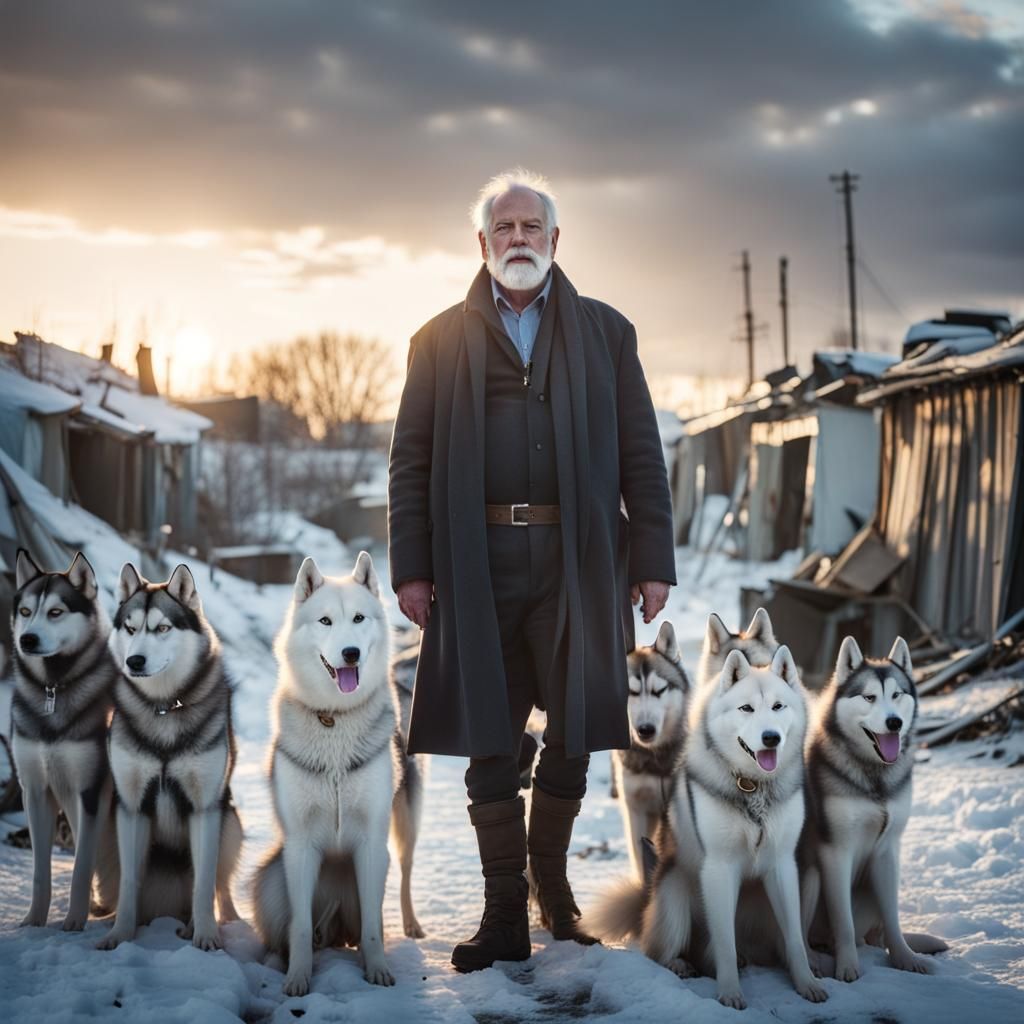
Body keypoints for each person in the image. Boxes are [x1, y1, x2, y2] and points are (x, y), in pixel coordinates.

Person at [388, 169, 675, 972]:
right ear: (482, 245)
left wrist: (651, 557)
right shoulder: (436, 340)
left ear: (556, 241)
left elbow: (641, 456)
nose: (518, 239)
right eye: (503, 228)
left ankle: (552, 889)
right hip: (473, 562)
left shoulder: (606, 334)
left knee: (579, 728)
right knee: (490, 733)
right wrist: (412, 567)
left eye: (532, 227)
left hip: (578, 559)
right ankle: (503, 913)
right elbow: (408, 464)